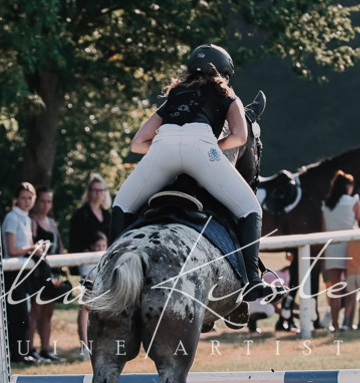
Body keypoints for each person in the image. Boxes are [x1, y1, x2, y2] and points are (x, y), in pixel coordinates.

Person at [110, 43, 273, 305]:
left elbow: (137, 143)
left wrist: (166, 150)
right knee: (250, 210)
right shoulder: (228, 95)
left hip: (162, 148)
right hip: (203, 149)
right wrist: (215, 148)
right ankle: (253, 281)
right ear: (224, 73)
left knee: (121, 206)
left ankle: (107, 272)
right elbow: (241, 136)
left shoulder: (175, 94)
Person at [1, 182, 46, 362]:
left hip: (24, 271)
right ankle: (15, 354)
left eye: (30, 198)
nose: (27, 201)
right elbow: (11, 249)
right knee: (18, 316)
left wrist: (33, 249)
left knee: (24, 315)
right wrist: (31, 249)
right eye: (23, 198)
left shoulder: (27, 218)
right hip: (12, 272)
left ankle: (21, 352)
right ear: (16, 199)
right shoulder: (12, 217)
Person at [29, 187, 66, 363]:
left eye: (49, 201)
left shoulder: (51, 222)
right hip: (37, 272)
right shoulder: (31, 221)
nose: (45, 205)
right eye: (43, 201)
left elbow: (59, 245)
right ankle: (29, 349)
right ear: (37, 202)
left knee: (48, 313)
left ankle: (46, 349)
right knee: (35, 312)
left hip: (52, 270)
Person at [322, 170, 360, 330]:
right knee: (352, 288)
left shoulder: (326, 204)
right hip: (349, 249)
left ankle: (335, 324)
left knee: (335, 290)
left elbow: (324, 229)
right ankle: (349, 321)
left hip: (331, 249)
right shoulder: (354, 202)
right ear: (347, 186)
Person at [68, 174, 112, 262]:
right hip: (85, 260)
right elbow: (75, 241)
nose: (98, 193)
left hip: (105, 260)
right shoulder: (81, 215)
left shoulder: (107, 215)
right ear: (89, 192)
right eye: (95, 190)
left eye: (101, 190)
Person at [77, 229, 108, 351]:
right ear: (92, 246)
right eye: (98, 246)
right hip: (91, 290)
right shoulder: (87, 259)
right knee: (85, 306)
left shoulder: (108, 258)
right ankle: (85, 345)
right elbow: (86, 280)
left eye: (103, 246)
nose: (101, 249)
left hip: (105, 291)